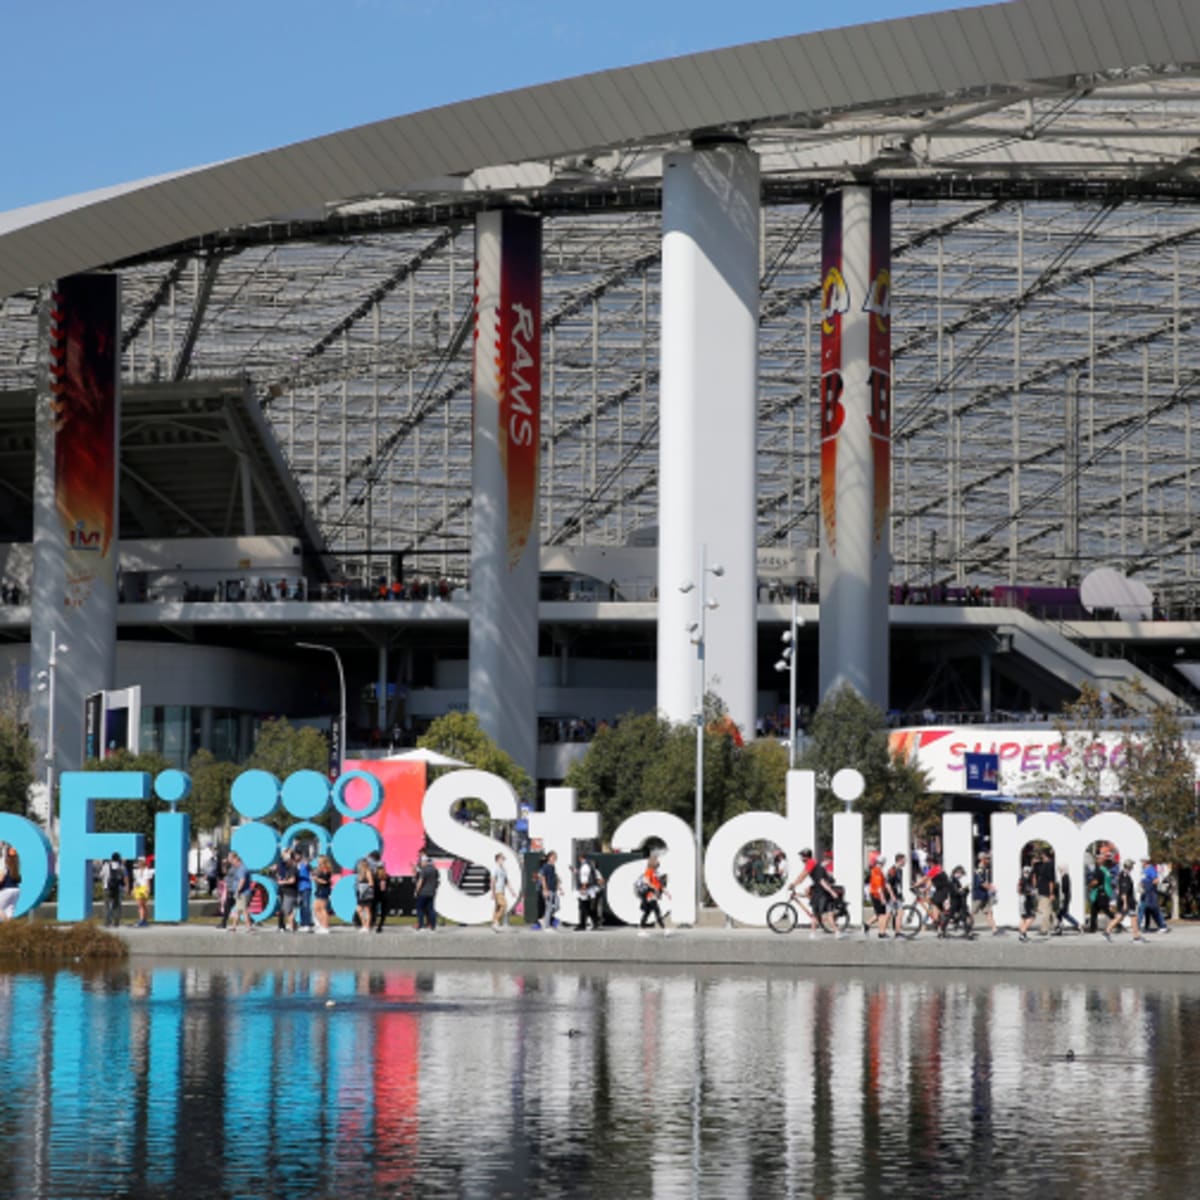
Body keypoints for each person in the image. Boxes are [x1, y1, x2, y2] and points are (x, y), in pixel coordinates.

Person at [789, 849, 840, 936]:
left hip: (822, 891)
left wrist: (794, 884)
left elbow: (804, 876)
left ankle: (822, 932)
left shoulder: (811, 863)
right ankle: (834, 932)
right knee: (815, 909)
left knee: (820, 914)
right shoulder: (811, 863)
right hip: (819, 889)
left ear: (806, 857)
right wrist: (795, 883)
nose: (801, 858)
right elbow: (802, 875)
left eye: (802, 857)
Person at [1109, 859, 1145, 942]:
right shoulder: (1125, 876)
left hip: (1128, 900)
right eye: (1132, 866)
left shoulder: (1123, 875)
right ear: (1129, 866)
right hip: (1127, 901)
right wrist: (1125, 903)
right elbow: (1124, 891)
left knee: (1120, 917)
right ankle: (1136, 936)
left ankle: (1108, 931)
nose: (1133, 867)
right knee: (1133, 918)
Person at [637, 853, 670, 936]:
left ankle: (641, 929)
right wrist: (654, 887)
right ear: (653, 862)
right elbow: (646, 881)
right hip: (650, 895)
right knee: (657, 911)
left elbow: (659, 885)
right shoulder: (649, 871)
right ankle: (664, 929)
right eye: (656, 861)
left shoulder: (655, 872)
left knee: (647, 912)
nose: (658, 862)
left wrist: (666, 893)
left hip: (654, 895)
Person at [532, 851, 561, 931]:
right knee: (548, 907)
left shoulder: (552, 867)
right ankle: (547, 926)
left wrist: (559, 888)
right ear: (549, 858)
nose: (555, 859)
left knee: (557, 906)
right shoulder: (546, 866)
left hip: (553, 889)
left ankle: (543, 919)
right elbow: (542, 877)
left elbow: (554, 878)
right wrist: (545, 889)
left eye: (556, 857)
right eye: (553, 857)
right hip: (548, 890)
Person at [575, 853, 604, 931]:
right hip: (590, 891)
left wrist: (583, 887)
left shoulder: (586, 866)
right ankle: (592, 922)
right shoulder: (589, 867)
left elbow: (586, 878)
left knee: (584, 907)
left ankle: (586, 923)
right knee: (585, 908)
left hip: (589, 891)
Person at [226, 852, 254, 932]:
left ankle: (249, 927)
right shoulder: (241, 868)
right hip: (242, 893)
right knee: (238, 910)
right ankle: (234, 927)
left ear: (237, 860)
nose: (233, 863)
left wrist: (238, 891)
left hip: (243, 893)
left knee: (244, 910)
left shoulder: (242, 869)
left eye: (233, 861)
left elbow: (242, 880)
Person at [1139, 858, 1169, 934]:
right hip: (1144, 892)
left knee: (1154, 909)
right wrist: (1141, 885)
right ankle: (1145, 926)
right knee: (1145, 910)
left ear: (1146, 862)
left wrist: (1149, 887)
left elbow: (1156, 880)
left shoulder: (1150, 869)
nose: (1141, 863)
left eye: (1142, 861)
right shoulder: (1144, 870)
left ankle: (1162, 926)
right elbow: (1143, 880)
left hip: (1151, 893)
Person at [972, 853, 999, 935]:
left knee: (989, 912)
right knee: (973, 913)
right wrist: (990, 888)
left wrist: (991, 886)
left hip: (985, 895)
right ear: (982, 859)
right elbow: (981, 883)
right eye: (987, 859)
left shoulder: (985, 869)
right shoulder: (979, 870)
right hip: (979, 895)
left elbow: (986, 882)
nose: (988, 860)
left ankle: (994, 929)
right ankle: (967, 927)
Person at [1088, 858, 1115, 938]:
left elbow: (1096, 881)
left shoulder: (1100, 870)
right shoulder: (1107, 871)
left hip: (1101, 892)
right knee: (1094, 910)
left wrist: (1089, 885)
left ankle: (1117, 922)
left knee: (1105, 909)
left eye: (1097, 860)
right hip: (1106, 891)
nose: (1096, 861)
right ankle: (1092, 928)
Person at [1032, 849, 1057, 936]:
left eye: (1042, 854)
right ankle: (1057, 925)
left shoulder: (1049, 865)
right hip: (1043, 890)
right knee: (1048, 910)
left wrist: (1051, 893)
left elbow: (1051, 881)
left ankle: (1044, 929)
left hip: (1046, 891)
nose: (1041, 856)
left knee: (1045, 911)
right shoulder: (1044, 864)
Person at [491, 852, 516, 932]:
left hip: (502, 891)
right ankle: (495, 922)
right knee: (504, 905)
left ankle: (495, 924)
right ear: (498, 859)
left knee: (497, 907)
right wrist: (493, 892)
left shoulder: (503, 869)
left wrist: (511, 891)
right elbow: (493, 881)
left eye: (504, 859)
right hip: (498, 891)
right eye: (502, 858)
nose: (503, 860)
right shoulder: (495, 868)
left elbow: (506, 881)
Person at [414, 852, 439, 931]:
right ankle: (433, 926)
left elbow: (420, 882)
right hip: (432, 892)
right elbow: (437, 881)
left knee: (419, 908)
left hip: (423, 892)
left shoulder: (424, 870)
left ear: (424, 862)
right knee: (431, 909)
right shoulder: (435, 870)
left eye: (421, 862)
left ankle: (421, 925)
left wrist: (416, 891)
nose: (421, 864)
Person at [866, 853, 889, 938]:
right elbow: (879, 887)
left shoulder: (876, 870)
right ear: (882, 863)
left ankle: (867, 924)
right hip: (877, 895)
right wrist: (882, 897)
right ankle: (881, 933)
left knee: (880, 913)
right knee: (882, 915)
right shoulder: (877, 872)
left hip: (875, 894)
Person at [275, 851, 299, 932]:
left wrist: (283, 882)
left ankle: (292, 927)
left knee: (287, 910)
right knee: (287, 910)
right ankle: (293, 926)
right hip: (285, 891)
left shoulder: (293, 868)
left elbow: (292, 880)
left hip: (290, 892)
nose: (286, 862)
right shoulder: (287, 868)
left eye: (287, 860)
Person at [1054, 864, 1080, 934]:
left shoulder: (1065, 877)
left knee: (1064, 913)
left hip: (1065, 897)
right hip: (1066, 897)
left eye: (1060, 869)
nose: (1059, 871)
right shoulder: (1065, 876)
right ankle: (1059, 928)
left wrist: (1058, 887)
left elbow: (1064, 888)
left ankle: (1077, 925)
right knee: (1060, 914)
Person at [102, 853, 126, 928]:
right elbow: (122, 876)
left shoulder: (106, 866)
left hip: (107, 887)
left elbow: (101, 875)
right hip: (116, 888)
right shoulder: (121, 866)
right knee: (116, 905)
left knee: (107, 905)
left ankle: (107, 922)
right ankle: (116, 922)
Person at [885, 853, 906, 938]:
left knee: (900, 913)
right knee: (889, 914)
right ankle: (882, 931)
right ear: (900, 860)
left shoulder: (900, 870)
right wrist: (892, 895)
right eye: (904, 860)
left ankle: (897, 931)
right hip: (892, 895)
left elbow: (898, 885)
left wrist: (901, 895)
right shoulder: (892, 870)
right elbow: (888, 884)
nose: (905, 861)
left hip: (898, 895)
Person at [312, 855, 334, 933]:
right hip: (319, 889)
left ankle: (325, 926)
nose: (318, 862)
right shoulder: (320, 869)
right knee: (316, 908)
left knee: (322, 908)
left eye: (319, 860)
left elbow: (325, 881)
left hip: (323, 890)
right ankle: (321, 925)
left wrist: (316, 879)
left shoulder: (326, 869)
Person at [1016, 866, 1038, 942]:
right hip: (1026, 900)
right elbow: (1026, 890)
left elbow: (1018, 890)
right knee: (1032, 917)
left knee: (1023, 917)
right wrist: (1032, 892)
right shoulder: (1026, 880)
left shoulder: (1021, 879)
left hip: (1021, 899)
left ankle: (1022, 934)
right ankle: (1023, 933)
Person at [132, 858, 154, 927]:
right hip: (138, 888)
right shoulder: (137, 871)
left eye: (140, 862)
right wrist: (133, 889)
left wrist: (148, 889)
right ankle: (143, 920)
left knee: (142, 905)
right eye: (138, 862)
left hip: (144, 888)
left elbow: (148, 881)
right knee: (141, 905)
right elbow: (136, 881)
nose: (138, 863)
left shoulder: (147, 870)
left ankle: (143, 920)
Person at [0, 845, 20, 921]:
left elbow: (1, 877)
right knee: (9, 913)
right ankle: (11, 929)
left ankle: (7, 926)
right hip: (15, 890)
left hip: (6, 889)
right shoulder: (15, 863)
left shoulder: (3, 862)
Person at [295, 851, 314, 932]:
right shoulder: (295, 865)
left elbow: (311, 870)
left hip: (305, 887)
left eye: (297, 855)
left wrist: (308, 864)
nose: (295, 857)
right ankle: (302, 923)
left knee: (306, 905)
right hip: (298, 888)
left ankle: (307, 923)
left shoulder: (305, 864)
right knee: (301, 906)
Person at [354, 860, 374, 933]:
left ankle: (367, 926)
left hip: (366, 893)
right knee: (359, 909)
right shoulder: (360, 874)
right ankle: (364, 925)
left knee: (367, 909)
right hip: (361, 893)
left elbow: (371, 883)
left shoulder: (368, 872)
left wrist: (365, 889)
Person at [371, 856, 389, 933]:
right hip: (384, 895)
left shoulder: (375, 876)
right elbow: (388, 886)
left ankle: (373, 923)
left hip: (376, 895)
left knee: (373, 910)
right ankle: (380, 926)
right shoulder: (387, 876)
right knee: (383, 912)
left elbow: (372, 886)